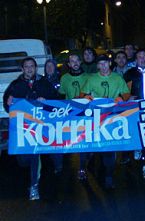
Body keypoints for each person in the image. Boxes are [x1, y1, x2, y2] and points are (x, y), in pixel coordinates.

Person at [3, 57, 60, 200]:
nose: (29, 69)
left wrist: (46, 101)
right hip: (23, 128)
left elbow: (56, 99)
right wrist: (8, 103)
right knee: (22, 161)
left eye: (32, 66)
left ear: (36, 68)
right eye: (26, 66)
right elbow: (7, 104)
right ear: (22, 69)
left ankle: (34, 185)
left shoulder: (44, 83)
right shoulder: (15, 85)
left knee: (35, 153)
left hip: (41, 127)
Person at [80, 55, 130, 188]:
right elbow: (82, 94)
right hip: (96, 118)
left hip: (112, 118)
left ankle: (109, 176)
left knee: (109, 147)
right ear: (97, 66)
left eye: (105, 63)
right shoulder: (92, 79)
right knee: (94, 147)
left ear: (109, 63)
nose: (103, 66)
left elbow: (127, 93)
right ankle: (89, 165)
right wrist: (87, 97)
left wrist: (121, 98)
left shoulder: (117, 78)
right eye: (100, 64)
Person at [59, 53, 92, 181]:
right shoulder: (64, 78)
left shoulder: (89, 77)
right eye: (72, 61)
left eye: (77, 59)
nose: (75, 63)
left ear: (81, 61)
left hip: (87, 114)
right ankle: (82, 168)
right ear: (68, 64)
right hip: (72, 115)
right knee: (81, 141)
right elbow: (62, 96)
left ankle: (87, 161)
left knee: (89, 144)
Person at [124, 49, 145, 176]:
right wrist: (129, 97)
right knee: (136, 131)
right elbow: (124, 91)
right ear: (136, 59)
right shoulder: (129, 73)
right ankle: (137, 148)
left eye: (144, 57)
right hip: (135, 108)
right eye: (139, 57)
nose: (142, 59)